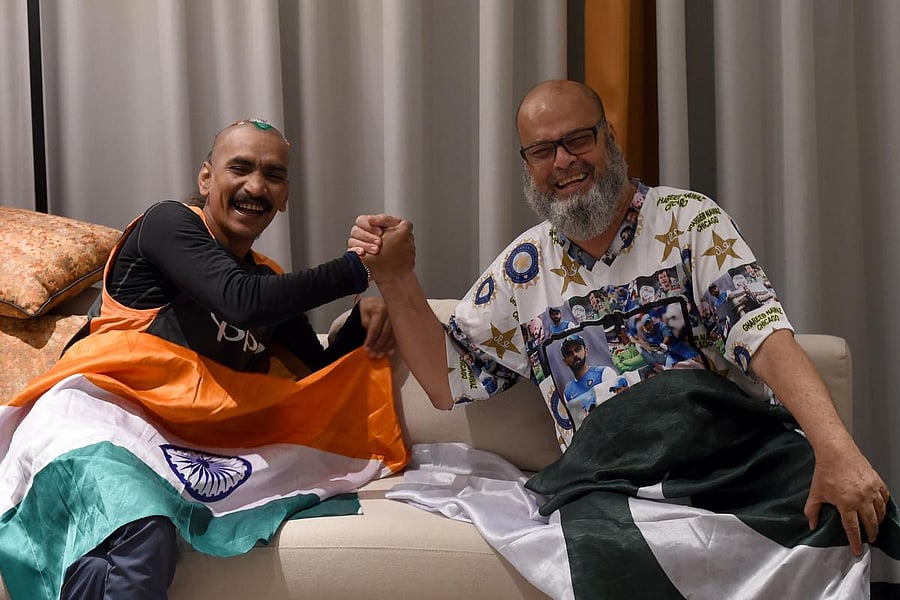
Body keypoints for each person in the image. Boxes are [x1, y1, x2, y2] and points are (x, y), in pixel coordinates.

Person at [350, 79, 889, 559]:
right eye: (542, 150)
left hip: (726, 460)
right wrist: (395, 279)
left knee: (831, 515)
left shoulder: (689, 221)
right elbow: (446, 382)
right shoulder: (521, 270)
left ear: (609, 138)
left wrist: (836, 449)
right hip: (607, 486)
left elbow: (763, 335)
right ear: (527, 165)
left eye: (577, 140)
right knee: (605, 554)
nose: (563, 161)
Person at [57, 118, 395, 599]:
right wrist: (358, 268)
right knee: (141, 531)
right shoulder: (167, 224)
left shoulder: (268, 281)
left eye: (273, 175)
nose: (256, 187)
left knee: (129, 550)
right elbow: (241, 301)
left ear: (285, 196)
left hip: (180, 446)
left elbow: (318, 380)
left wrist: (362, 319)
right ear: (206, 178)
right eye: (240, 168)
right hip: (98, 423)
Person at [559, 334, 615, 411]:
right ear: (565, 362)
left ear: (586, 351)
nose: (575, 354)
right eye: (569, 353)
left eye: (577, 350)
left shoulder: (604, 373)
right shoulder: (567, 393)